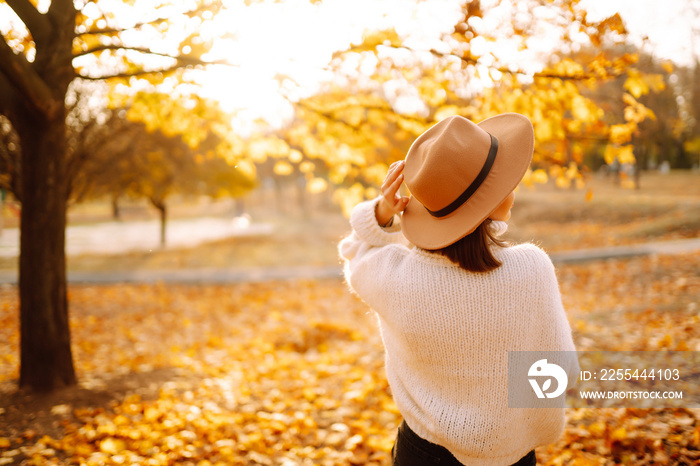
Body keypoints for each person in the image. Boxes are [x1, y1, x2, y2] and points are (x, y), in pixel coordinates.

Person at [339, 114, 579, 466]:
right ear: (488, 203)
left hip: (421, 452)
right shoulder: (532, 269)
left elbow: (354, 251)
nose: (513, 187)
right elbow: (563, 371)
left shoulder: (394, 276)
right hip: (511, 455)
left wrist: (381, 211)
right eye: (504, 180)